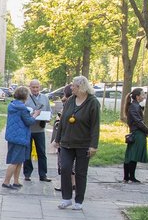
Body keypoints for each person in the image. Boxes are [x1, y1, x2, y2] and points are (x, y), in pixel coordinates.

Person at [57, 76, 100, 210]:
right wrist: (57, 140)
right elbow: (63, 120)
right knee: (65, 168)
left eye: (73, 86)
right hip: (67, 143)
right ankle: (66, 198)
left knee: (81, 172)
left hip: (83, 144)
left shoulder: (93, 102)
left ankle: (79, 200)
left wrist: (93, 145)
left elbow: (95, 125)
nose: (71, 88)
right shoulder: (70, 100)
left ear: (81, 87)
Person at [2, 86, 40, 189]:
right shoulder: (23, 108)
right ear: (25, 96)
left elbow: (22, 118)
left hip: (12, 136)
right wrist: (35, 115)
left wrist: (29, 115)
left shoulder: (12, 105)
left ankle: (16, 181)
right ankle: (6, 182)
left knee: (19, 160)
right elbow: (29, 121)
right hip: (20, 137)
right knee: (15, 161)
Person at [23, 80, 52, 182]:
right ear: (29, 87)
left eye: (37, 87)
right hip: (28, 129)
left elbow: (49, 111)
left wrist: (48, 117)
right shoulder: (26, 98)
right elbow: (23, 113)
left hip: (40, 129)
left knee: (42, 153)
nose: (35, 89)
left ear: (40, 87)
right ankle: (27, 174)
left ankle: (43, 175)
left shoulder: (44, 98)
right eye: (33, 87)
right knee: (27, 152)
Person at [124, 87, 148, 183]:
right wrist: (147, 131)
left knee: (130, 155)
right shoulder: (134, 107)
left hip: (135, 132)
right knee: (133, 156)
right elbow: (138, 121)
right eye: (143, 94)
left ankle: (127, 177)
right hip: (137, 133)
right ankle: (131, 177)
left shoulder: (134, 106)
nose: (144, 96)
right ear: (137, 96)